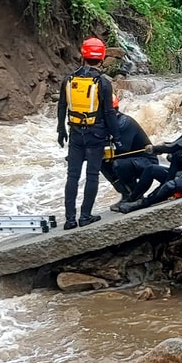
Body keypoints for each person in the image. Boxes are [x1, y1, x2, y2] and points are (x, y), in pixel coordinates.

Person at [56, 36, 115, 230]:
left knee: (72, 176)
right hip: (96, 135)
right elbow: (108, 113)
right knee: (92, 175)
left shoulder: (69, 79)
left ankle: (70, 219)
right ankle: (85, 216)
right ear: (102, 57)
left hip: (74, 133)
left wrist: (60, 129)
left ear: (83, 55)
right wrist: (116, 135)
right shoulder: (103, 83)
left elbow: (62, 106)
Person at [101, 95, 157, 212]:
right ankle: (126, 194)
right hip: (130, 160)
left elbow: (123, 149)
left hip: (146, 162)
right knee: (102, 163)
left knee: (118, 164)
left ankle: (135, 195)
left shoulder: (124, 123)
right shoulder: (108, 124)